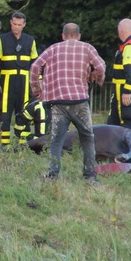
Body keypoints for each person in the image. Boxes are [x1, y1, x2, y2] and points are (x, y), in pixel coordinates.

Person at [30, 23, 106, 183]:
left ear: (63, 36)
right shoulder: (87, 48)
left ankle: (52, 175)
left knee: (56, 140)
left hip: (59, 103)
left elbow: (35, 66)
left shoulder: (52, 49)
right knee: (87, 138)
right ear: (78, 36)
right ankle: (90, 176)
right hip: (80, 101)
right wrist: (95, 78)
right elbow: (101, 66)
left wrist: (37, 90)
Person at [0, 11, 38, 146]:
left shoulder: (30, 40)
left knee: (23, 114)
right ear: (10, 23)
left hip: (24, 82)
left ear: (24, 25)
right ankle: (2, 145)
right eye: (14, 24)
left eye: (19, 24)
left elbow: (35, 64)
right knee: (4, 113)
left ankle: (23, 144)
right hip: (7, 81)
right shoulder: (1, 39)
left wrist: (36, 84)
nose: (16, 27)